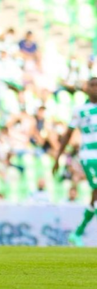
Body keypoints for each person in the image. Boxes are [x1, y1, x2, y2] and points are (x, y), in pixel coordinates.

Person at [53, 77, 97, 247]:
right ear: (86, 89)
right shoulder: (80, 110)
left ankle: (77, 232)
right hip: (89, 155)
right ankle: (77, 232)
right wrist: (58, 157)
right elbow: (67, 135)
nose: (95, 88)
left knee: (95, 198)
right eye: (92, 85)